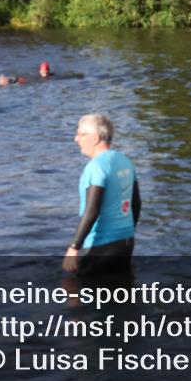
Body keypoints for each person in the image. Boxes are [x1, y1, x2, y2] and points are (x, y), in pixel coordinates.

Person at [63, 114, 141, 275]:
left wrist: (74, 247)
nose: (76, 139)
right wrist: (127, 230)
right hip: (126, 242)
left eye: (81, 134)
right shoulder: (125, 160)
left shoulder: (96, 167)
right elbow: (136, 203)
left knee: (82, 292)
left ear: (95, 138)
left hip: (101, 246)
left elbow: (92, 211)